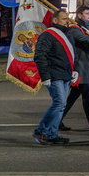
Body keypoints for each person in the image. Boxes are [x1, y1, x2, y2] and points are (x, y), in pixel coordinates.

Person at [33, 9, 78, 145]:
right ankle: (41, 130)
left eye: (68, 19)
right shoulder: (48, 35)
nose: (68, 21)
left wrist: (74, 70)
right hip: (54, 75)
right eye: (64, 19)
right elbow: (40, 56)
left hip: (65, 74)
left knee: (61, 105)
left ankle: (52, 134)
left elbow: (72, 55)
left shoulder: (68, 35)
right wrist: (45, 76)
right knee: (59, 103)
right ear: (55, 21)